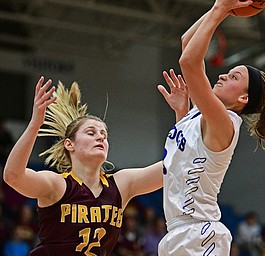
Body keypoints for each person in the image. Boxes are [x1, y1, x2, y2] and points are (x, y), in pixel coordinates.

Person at [156, 0, 265, 255]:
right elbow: (187, 41)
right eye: (228, 73)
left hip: (199, 234)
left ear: (243, 98)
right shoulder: (198, 115)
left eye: (233, 77)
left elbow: (189, 62)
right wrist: (226, 9)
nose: (221, 75)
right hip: (179, 232)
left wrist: (220, 8)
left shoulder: (225, 122)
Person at [3, 77, 163, 256]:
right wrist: (35, 125)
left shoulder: (120, 185)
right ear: (69, 144)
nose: (101, 137)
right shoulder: (58, 185)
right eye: (91, 132)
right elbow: (12, 175)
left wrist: (183, 118)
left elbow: (173, 168)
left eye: (104, 134)